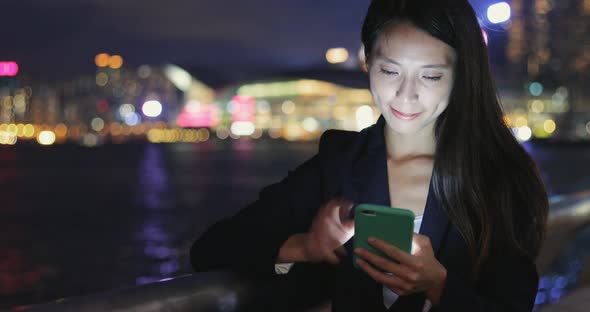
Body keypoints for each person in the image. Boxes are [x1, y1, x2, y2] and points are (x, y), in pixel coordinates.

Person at [190, 0, 549, 311]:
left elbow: (513, 304)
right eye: (390, 71)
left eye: (431, 76)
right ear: (367, 62)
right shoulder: (339, 163)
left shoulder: (500, 178)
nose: (405, 95)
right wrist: (305, 246)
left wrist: (439, 284)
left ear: (461, 76)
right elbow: (212, 249)